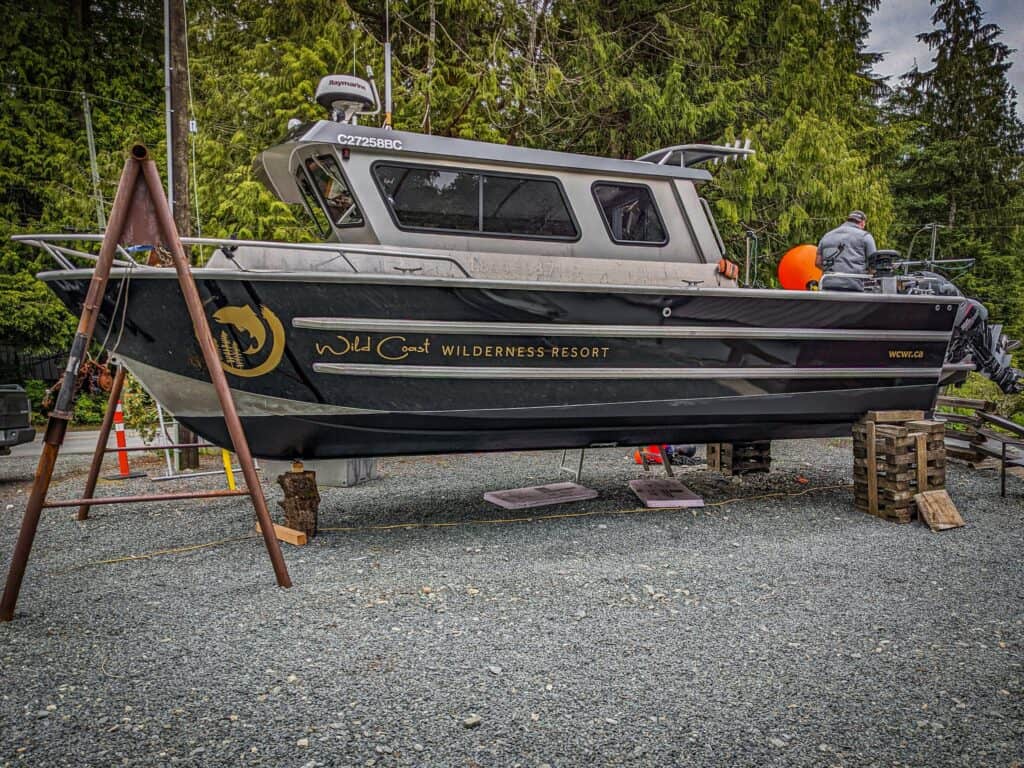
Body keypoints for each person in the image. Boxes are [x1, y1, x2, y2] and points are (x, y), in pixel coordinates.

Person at [815, 210, 876, 291]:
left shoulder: (826, 236)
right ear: (862, 223)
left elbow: (818, 262)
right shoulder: (865, 236)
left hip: (827, 285)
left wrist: (833, 273)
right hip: (854, 287)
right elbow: (874, 265)